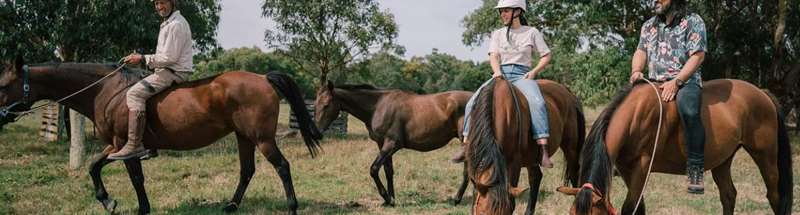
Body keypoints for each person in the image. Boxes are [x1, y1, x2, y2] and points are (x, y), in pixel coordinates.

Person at [455, 0, 554, 168]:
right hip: (501, 73)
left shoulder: (531, 32)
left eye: (506, 10)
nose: (502, 14)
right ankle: (466, 144)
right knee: (472, 101)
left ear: (518, 11)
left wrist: (534, 71)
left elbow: (546, 55)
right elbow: (493, 55)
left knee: (538, 102)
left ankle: (543, 150)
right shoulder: (497, 34)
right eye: (501, 11)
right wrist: (497, 71)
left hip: (523, 75)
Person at [630, 0, 707, 193]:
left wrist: (677, 81)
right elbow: (641, 50)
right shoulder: (649, 25)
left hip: (685, 81)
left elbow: (698, 55)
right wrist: (636, 70)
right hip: (654, 81)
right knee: (625, 107)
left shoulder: (693, 21)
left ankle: (696, 168)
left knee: (689, 110)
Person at [108, 0, 194, 160]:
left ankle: (134, 145)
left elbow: (169, 57)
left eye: (162, 3)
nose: (159, 7)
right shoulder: (168, 23)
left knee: (134, 94)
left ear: (172, 2)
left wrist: (141, 58)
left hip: (173, 72)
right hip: (167, 70)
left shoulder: (175, 25)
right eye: (156, 4)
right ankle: (151, 145)